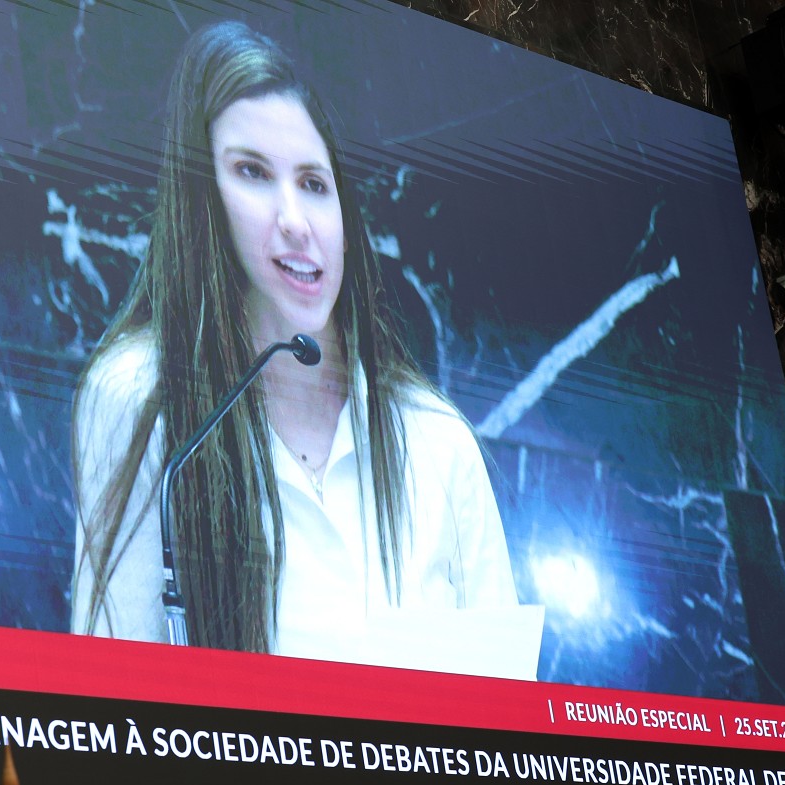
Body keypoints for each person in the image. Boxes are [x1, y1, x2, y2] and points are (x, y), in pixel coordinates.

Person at [71, 21, 519, 661]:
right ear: (203, 202)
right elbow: (117, 691)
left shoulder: (438, 440)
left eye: (313, 183)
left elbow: (508, 709)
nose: (295, 221)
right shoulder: (141, 395)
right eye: (252, 173)